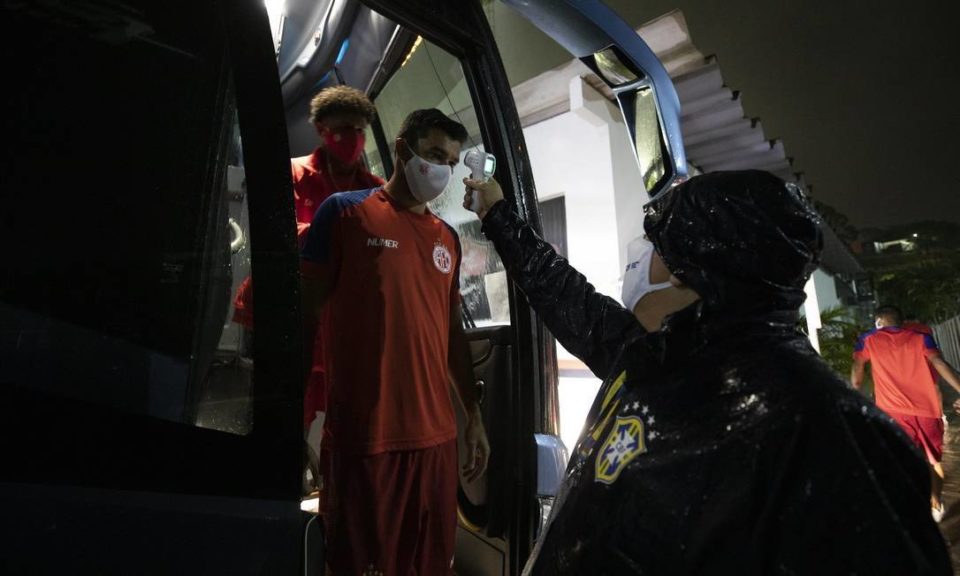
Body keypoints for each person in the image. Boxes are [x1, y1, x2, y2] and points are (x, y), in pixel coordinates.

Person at [463, 170, 951, 574]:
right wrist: (496, 211)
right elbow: (561, 292)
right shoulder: (654, 355)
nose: (639, 261)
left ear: (692, 268)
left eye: (654, 246)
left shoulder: (826, 429)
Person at [300, 108, 490, 575]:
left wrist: (473, 415)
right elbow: (301, 321)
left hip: (435, 444)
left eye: (449, 159)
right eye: (433, 154)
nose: (442, 170)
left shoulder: (446, 238)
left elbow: (449, 335)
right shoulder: (345, 215)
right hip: (368, 444)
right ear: (402, 148)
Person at [232, 85, 385, 478]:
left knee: (333, 412)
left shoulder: (375, 191)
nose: (351, 140)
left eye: (358, 131)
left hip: (333, 316)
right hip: (280, 309)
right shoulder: (294, 174)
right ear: (320, 129)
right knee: (274, 408)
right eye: (341, 130)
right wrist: (334, 231)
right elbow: (277, 235)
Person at [852, 304, 960, 521]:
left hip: (893, 412)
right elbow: (939, 362)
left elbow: (857, 369)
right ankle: (936, 504)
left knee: (900, 458)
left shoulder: (868, 340)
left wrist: (854, 393)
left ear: (879, 321)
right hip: (927, 411)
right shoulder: (920, 337)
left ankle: (908, 507)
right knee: (933, 461)